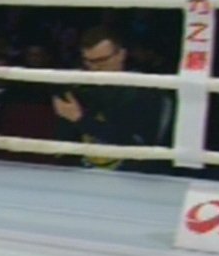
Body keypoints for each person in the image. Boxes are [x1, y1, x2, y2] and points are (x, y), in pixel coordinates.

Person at [51, 25, 174, 173]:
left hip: (134, 177)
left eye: (102, 60)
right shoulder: (78, 88)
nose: (95, 67)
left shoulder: (145, 92)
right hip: (84, 174)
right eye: (88, 61)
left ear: (121, 55)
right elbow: (63, 146)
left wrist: (81, 120)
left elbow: (139, 147)